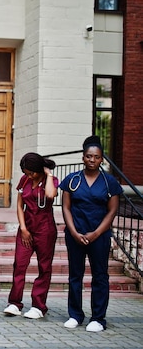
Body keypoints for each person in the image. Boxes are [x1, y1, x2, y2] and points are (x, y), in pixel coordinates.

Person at [59, 135, 122, 332]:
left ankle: (98, 318)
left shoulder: (109, 182)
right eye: (88, 156)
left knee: (100, 276)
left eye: (96, 157)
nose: (92, 160)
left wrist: (96, 233)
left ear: (102, 159)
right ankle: (75, 315)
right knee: (75, 275)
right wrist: (73, 231)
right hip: (75, 235)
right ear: (83, 157)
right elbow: (66, 208)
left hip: (99, 236)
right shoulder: (72, 180)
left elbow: (112, 211)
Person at [3, 153, 58, 319]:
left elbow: (50, 195)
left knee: (44, 267)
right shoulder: (24, 180)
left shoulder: (51, 180)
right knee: (19, 265)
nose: (29, 175)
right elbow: (20, 205)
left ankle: (38, 306)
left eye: (31, 172)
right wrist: (24, 229)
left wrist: (48, 175)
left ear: (39, 169)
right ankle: (15, 303)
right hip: (26, 227)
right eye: (26, 172)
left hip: (45, 229)